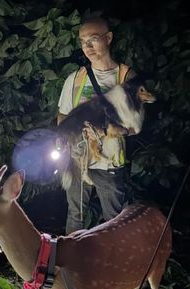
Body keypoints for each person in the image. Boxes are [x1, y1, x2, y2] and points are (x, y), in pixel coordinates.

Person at [57, 15, 134, 234]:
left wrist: (104, 131)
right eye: (83, 41)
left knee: (114, 219)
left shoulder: (126, 77)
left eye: (93, 39)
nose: (87, 46)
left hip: (109, 163)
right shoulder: (75, 78)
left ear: (108, 38)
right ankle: (72, 265)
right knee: (75, 214)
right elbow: (63, 117)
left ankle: (115, 264)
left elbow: (135, 126)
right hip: (77, 160)